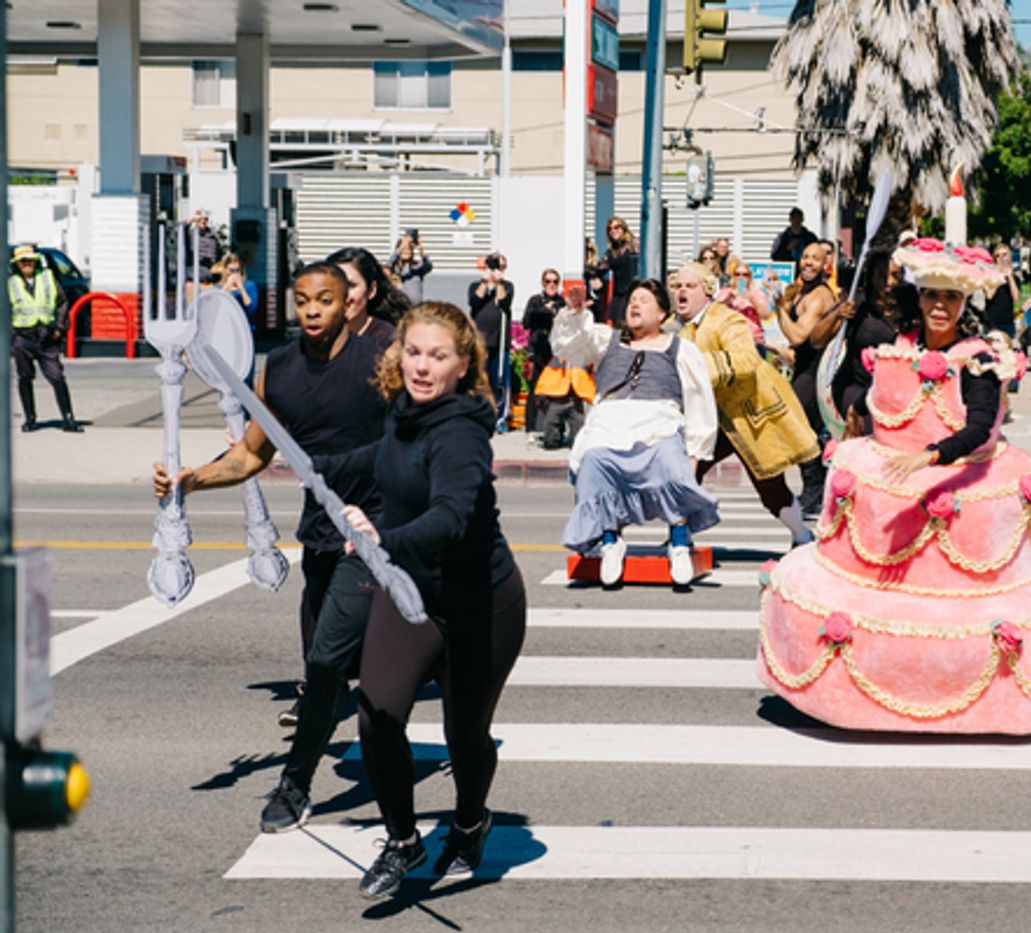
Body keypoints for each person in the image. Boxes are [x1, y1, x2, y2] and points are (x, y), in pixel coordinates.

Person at [757, 236, 1031, 734]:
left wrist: (928, 457)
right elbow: (879, 397)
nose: (939, 306)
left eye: (950, 298)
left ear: (963, 303)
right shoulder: (900, 345)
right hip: (889, 466)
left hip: (958, 473)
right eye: (931, 295)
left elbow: (977, 428)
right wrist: (861, 423)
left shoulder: (977, 357)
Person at [151, 263, 389, 832]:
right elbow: (252, 456)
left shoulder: (380, 363)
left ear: (346, 305)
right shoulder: (278, 373)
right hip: (324, 541)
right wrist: (190, 479)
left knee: (329, 662)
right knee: (325, 669)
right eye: (302, 300)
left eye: (325, 300)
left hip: (379, 533)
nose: (312, 310)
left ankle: (294, 786)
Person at [323, 302, 526, 900]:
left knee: (466, 735)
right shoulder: (404, 413)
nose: (421, 365)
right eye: (413, 351)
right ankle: (404, 840)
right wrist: (316, 467)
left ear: (464, 365)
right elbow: (381, 459)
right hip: (409, 591)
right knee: (378, 713)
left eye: (438, 356)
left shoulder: (461, 434)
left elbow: (452, 516)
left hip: (478, 603)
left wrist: (382, 539)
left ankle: (469, 821)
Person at [551, 279, 719, 586]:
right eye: (632, 300)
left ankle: (679, 542)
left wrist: (695, 451)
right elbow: (568, 346)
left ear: (662, 314)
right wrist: (574, 313)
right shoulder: (606, 340)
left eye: (644, 300)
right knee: (593, 460)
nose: (635, 304)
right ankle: (610, 539)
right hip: (610, 424)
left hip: (659, 424)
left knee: (670, 461)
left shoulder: (681, 349)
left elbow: (699, 403)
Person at [671, 262, 819, 548]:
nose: (681, 292)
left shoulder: (727, 320)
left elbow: (746, 360)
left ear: (708, 291)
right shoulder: (684, 330)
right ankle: (680, 537)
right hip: (714, 419)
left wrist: (697, 367)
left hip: (750, 416)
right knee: (687, 470)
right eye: (678, 286)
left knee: (770, 486)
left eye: (690, 286)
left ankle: (802, 536)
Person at [775, 241, 840, 517]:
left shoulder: (819, 297)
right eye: (805, 257)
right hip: (802, 366)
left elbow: (799, 336)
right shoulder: (802, 291)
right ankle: (820, 488)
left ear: (827, 265)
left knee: (802, 431)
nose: (808, 263)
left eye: (815, 258)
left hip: (815, 370)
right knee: (806, 430)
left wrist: (779, 307)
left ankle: (816, 489)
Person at [831, 248, 906, 438]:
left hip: (894, 391)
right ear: (871, 277)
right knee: (873, 437)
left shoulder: (909, 307)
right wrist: (837, 315)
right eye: (882, 276)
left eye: (895, 275)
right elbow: (817, 338)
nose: (889, 282)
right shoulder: (856, 304)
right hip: (855, 386)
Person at [8, 245, 80, 433]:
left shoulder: (48, 278)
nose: (27, 264)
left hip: (47, 336)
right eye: (23, 261)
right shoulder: (10, 283)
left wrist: (59, 328)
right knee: (24, 377)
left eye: (30, 260)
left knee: (57, 376)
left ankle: (68, 418)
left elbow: (62, 302)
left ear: (36, 261)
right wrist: (11, 335)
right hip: (23, 337)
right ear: (17, 264)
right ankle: (30, 419)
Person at [533, 286, 596, 450]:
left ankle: (575, 439)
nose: (574, 300)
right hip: (558, 381)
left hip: (577, 382)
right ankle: (552, 440)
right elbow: (557, 343)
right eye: (571, 296)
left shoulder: (587, 316)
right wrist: (572, 315)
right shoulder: (562, 315)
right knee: (552, 423)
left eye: (578, 296)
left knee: (578, 425)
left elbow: (585, 337)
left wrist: (579, 314)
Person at [469, 251, 515, 427]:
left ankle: (500, 417)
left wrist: (499, 282)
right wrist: (485, 281)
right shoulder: (475, 285)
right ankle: (479, 415)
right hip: (480, 342)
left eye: (501, 266)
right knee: (479, 380)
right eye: (494, 265)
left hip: (499, 341)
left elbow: (504, 302)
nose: (497, 269)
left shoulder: (507, 286)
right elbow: (474, 301)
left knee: (499, 380)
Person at [522, 267, 567, 430]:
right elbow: (526, 322)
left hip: (555, 352)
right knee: (534, 390)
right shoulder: (535, 300)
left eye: (555, 281)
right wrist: (544, 312)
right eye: (548, 281)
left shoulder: (562, 302)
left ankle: (556, 428)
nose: (551, 285)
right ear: (543, 283)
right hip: (537, 350)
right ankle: (531, 429)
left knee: (557, 391)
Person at [327, 247, 399, 344]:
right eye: (334, 285)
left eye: (350, 286)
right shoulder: (315, 337)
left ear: (371, 290)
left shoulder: (387, 340)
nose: (342, 294)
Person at [591, 217, 639, 326]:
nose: (613, 230)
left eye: (617, 227)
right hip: (618, 295)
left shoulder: (633, 244)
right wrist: (595, 278)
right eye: (610, 229)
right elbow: (599, 268)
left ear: (623, 228)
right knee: (618, 329)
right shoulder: (611, 252)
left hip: (633, 293)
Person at [983, 243, 1020, 340]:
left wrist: (1009, 276)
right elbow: (989, 295)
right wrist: (998, 276)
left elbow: (1016, 297)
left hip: (1007, 323)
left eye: (1004, 255)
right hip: (991, 323)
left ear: (1009, 256)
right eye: (998, 256)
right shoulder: (989, 276)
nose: (1001, 258)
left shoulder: (1014, 278)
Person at [389, 233, 433, 306]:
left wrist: (421, 249)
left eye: (409, 249)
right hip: (399, 308)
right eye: (404, 248)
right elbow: (388, 265)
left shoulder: (417, 267)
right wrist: (400, 246)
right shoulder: (394, 268)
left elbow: (429, 265)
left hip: (416, 309)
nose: (407, 251)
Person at [219, 252, 260, 329]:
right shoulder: (219, 287)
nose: (234, 273)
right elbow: (217, 305)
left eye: (237, 270)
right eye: (231, 270)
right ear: (225, 270)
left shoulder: (249, 286)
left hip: (245, 328)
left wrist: (241, 288)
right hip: (226, 327)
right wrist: (227, 286)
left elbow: (251, 309)